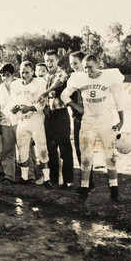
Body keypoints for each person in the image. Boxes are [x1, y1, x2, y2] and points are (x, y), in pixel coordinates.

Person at [61, 54, 125, 202]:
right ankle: (84, 190)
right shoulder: (79, 78)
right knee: (86, 156)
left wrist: (121, 121)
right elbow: (65, 95)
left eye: (90, 67)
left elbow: (118, 100)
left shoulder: (110, 77)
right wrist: (77, 106)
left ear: (99, 65)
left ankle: (114, 190)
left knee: (110, 155)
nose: (87, 71)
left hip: (105, 120)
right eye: (85, 68)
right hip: (88, 121)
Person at [11, 61, 52, 187]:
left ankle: (46, 178)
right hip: (22, 120)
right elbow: (13, 102)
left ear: (33, 72)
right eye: (22, 72)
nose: (24, 75)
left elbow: (42, 104)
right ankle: (24, 178)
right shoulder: (15, 85)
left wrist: (29, 108)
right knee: (22, 150)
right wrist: (14, 108)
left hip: (36, 119)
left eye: (27, 72)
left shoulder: (39, 83)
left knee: (42, 149)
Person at [38, 50, 74, 188]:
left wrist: (45, 92)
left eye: (51, 60)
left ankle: (68, 181)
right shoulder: (45, 77)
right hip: (49, 116)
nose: (49, 63)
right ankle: (53, 179)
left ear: (57, 60)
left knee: (65, 148)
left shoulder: (62, 73)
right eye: (46, 61)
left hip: (61, 115)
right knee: (51, 148)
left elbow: (57, 86)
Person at [68, 51, 95, 188]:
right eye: (71, 64)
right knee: (78, 148)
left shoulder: (91, 78)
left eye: (76, 64)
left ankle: (89, 180)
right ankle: (87, 180)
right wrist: (75, 107)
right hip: (76, 118)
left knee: (87, 148)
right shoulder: (71, 78)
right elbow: (65, 97)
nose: (73, 66)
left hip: (90, 118)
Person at [0, 63, 19, 184]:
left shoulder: (19, 85)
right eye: (3, 75)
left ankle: (29, 176)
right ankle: (9, 176)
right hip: (5, 121)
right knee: (7, 149)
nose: (5, 77)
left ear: (13, 75)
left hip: (19, 120)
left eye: (8, 75)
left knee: (24, 148)